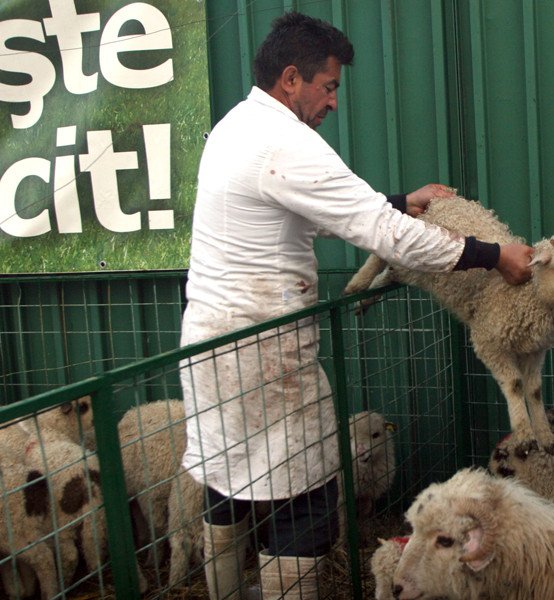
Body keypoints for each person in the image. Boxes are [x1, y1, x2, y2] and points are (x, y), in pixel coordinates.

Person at [178, 11, 533, 600]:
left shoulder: (233, 128)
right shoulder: (286, 142)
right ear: (292, 78)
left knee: (227, 482)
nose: (334, 102)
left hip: (211, 343)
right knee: (305, 498)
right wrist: (494, 254)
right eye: (330, 86)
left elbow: (305, 211)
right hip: (263, 354)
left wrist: (398, 200)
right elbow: (384, 236)